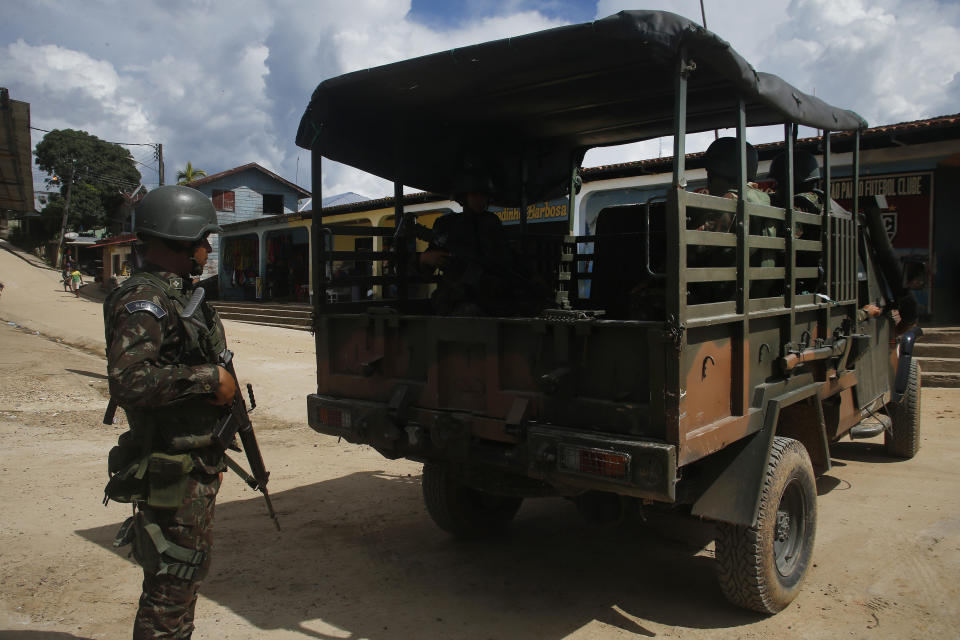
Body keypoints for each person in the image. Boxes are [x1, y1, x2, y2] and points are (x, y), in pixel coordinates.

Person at [102, 185, 236, 639]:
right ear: (182, 238)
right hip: (169, 467)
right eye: (204, 239)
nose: (207, 249)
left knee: (183, 581)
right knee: (170, 588)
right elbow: (129, 381)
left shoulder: (176, 296)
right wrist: (209, 379)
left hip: (191, 461)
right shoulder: (146, 300)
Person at [418, 169, 541, 316]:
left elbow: (507, 256)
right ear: (464, 197)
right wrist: (424, 258)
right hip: (456, 297)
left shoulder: (492, 222)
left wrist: (532, 275)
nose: (480, 200)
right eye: (475, 195)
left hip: (492, 293)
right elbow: (425, 265)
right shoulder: (448, 224)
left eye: (484, 195)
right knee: (468, 311)